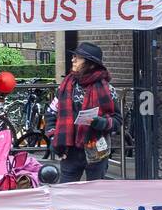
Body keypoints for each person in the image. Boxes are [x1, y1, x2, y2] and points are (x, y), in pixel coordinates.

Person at [46, 42, 122, 183]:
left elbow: (118, 120)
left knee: (95, 195)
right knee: (66, 193)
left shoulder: (108, 89)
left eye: (78, 58)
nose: (73, 60)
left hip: (97, 150)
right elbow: (51, 113)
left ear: (91, 64)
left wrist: (102, 123)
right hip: (69, 151)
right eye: (74, 56)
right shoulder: (66, 86)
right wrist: (52, 138)